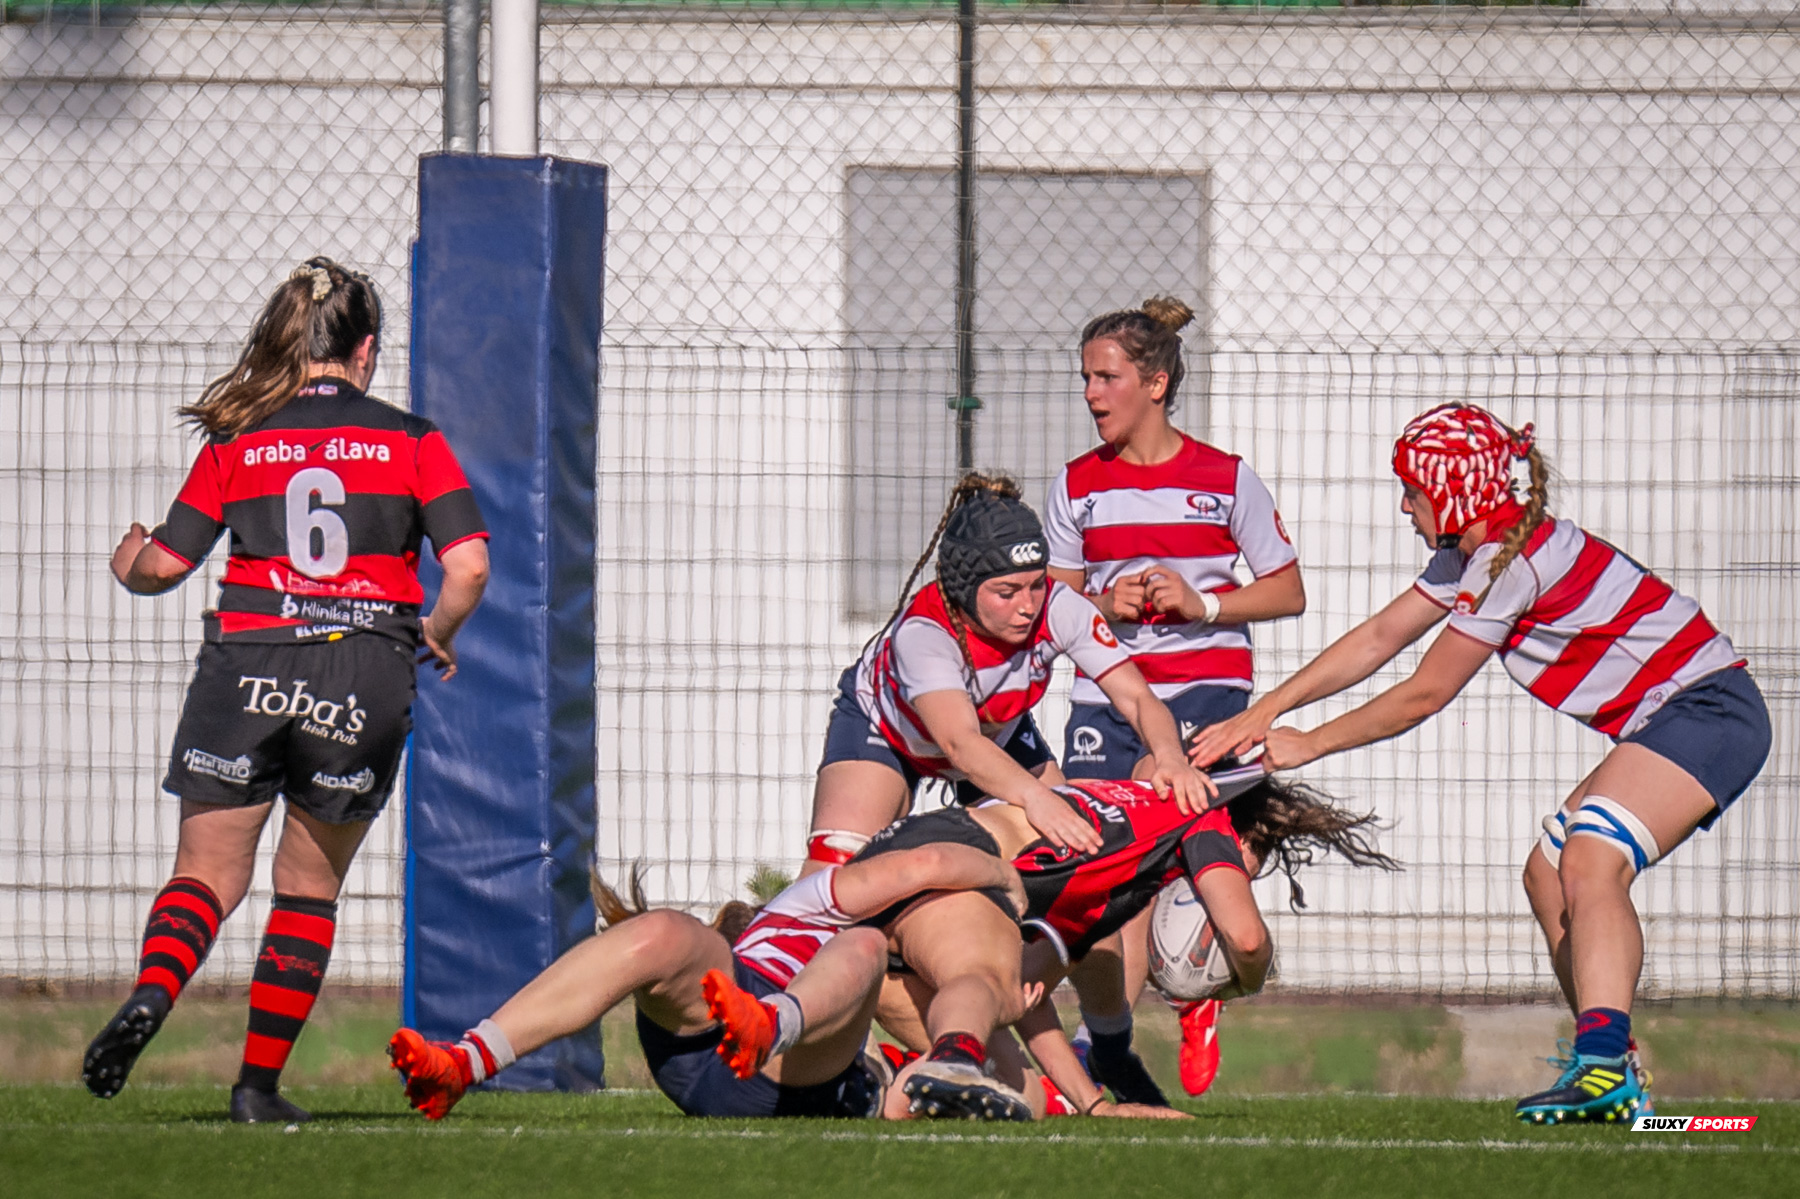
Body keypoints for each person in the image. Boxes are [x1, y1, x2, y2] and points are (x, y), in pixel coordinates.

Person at [1188, 402, 1770, 1125]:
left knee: (1591, 860)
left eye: (1413, 489)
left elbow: (1426, 692)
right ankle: (1614, 1065)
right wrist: (1265, 710)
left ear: (1454, 489)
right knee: (1548, 870)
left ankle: (1599, 1070)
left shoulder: (1509, 563)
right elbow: (1378, 638)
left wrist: (1313, 741)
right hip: (1675, 714)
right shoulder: (1477, 554)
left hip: (1709, 710)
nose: (1404, 504)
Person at [81, 258, 491, 1124]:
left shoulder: (239, 440)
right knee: (307, 888)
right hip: (364, 670)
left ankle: (154, 992)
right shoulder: (414, 438)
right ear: (367, 350)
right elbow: (469, 566)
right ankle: (256, 1087)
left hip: (249, 659)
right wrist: (439, 635)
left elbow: (164, 563)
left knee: (206, 873)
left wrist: (128, 562)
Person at [1044, 296, 1306, 1103]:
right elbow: (1050, 602)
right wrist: (1105, 605)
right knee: (1107, 882)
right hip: (1106, 709)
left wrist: (1205, 605)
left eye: (1107, 377)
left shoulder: (1226, 480)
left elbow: (1288, 590)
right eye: (1085, 377)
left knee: (1208, 889)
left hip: (1207, 705)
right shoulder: (1076, 487)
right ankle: (1104, 1048)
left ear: (1155, 383)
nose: (1091, 394)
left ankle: (1199, 983)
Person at [810, 768, 1394, 1120]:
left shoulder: (1119, 858)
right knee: (981, 998)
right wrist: (1253, 975)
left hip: (904, 873)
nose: (1244, 871)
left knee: (1023, 1099)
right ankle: (930, 1059)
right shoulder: (1200, 819)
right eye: (1254, 860)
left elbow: (1029, 992)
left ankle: (865, 1089)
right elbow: (1244, 938)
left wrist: (1094, 1104)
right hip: (955, 859)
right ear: (1247, 838)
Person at [386, 842, 1031, 1121]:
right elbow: (928, 862)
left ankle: (771, 1024)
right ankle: (463, 1062)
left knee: (860, 951)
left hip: (798, 1072)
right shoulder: (821, 906)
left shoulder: (882, 976)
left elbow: (973, 1070)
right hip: (732, 1030)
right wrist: (1005, 878)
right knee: (661, 933)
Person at [806, 473, 1211, 872]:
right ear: (963, 589)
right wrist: (1034, 797)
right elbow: (959, 744)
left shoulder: (1060, 607)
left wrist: (1170, 757)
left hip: (995, 734)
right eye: (1006, 592)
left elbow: (1138, 699)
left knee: (1071, 856)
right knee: (839, 868)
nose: (1027, 605)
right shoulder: (924, 634)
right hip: (892, 734)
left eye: (1035, 584)